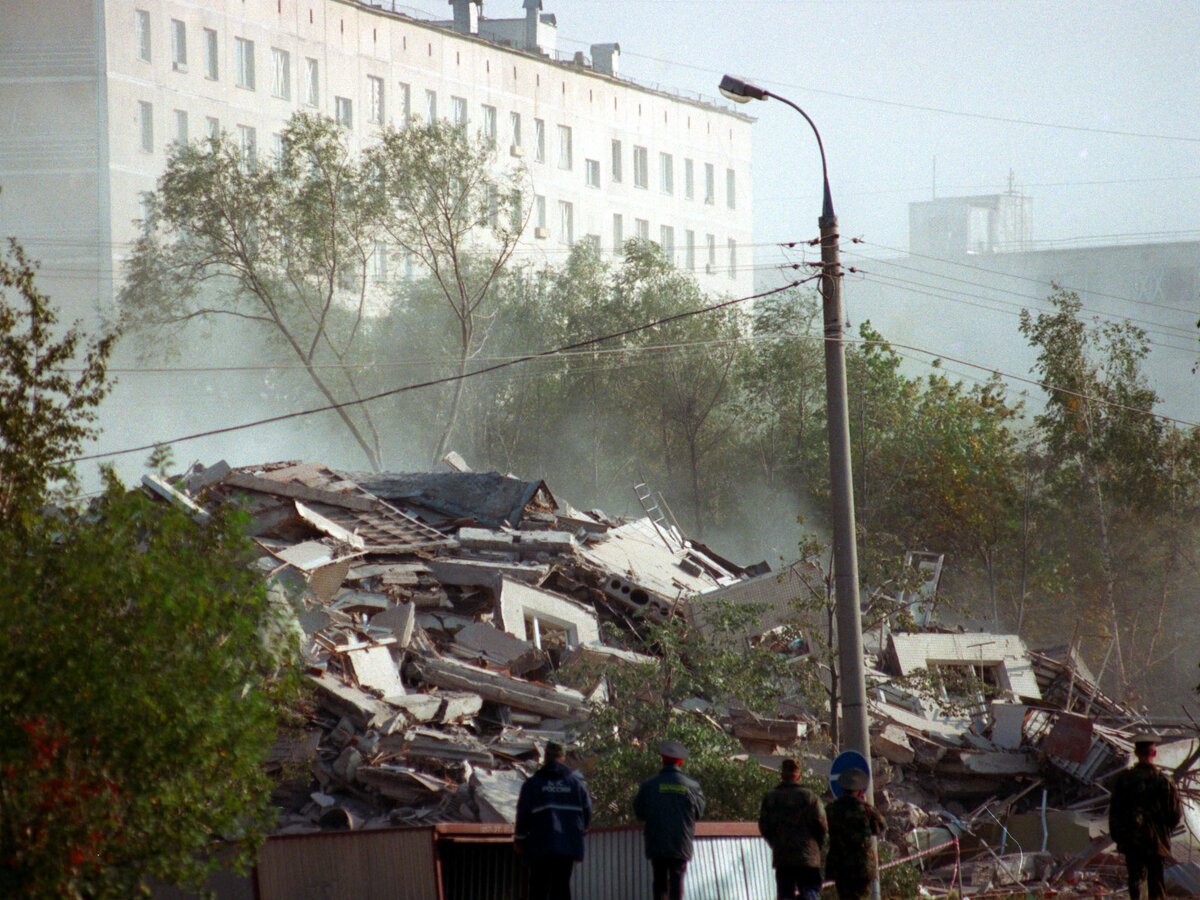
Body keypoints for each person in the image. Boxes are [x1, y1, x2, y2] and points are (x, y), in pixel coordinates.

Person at [1108, 731, 1182, 900]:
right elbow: (1175, 814)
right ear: (1154, 753)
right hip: (1156, 842)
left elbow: (1115, 812)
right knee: (1156, 883)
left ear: (1136, 753)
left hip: (1132, 841)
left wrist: (1120, 837)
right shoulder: (1164, 781)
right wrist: (1163, 833)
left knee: (1136, 882)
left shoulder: (1124, 780)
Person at [514, 741, 592, 900]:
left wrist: (520, 840)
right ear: (563, 757)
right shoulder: (577, 784)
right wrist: (578, 834)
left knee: (538, 889)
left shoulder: (532, 784)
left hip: (539, 847)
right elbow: (587, 813)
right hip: (567, 847)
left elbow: (523, 815)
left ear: (545, 756)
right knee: (561, 888)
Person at [634, 740, 706, 900]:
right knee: (677, 880)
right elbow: (699, 813)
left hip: (656, 841)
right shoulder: (692, 786)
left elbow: (639, 812)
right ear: (680, 761)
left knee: (659, 882)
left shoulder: (648, 786)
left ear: (662, 759)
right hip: (680, 842)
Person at [758, 758, 827, 900]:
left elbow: (764, 826)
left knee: (785, 894)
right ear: (799, 776)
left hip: (783, 855)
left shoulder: (771, 797)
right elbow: (822, 825)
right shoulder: (810, 797)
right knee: (809, 891)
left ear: (782, 775)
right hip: (808, 856)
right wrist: (816, 846)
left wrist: (775, 843)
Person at [824, 768, 885, 900]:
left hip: (840, 867)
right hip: (862, 866)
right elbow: (880, 827)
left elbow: (822, 828)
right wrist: (865, 802)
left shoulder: (831, 809)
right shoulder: (866, 809)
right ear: (858, 790)